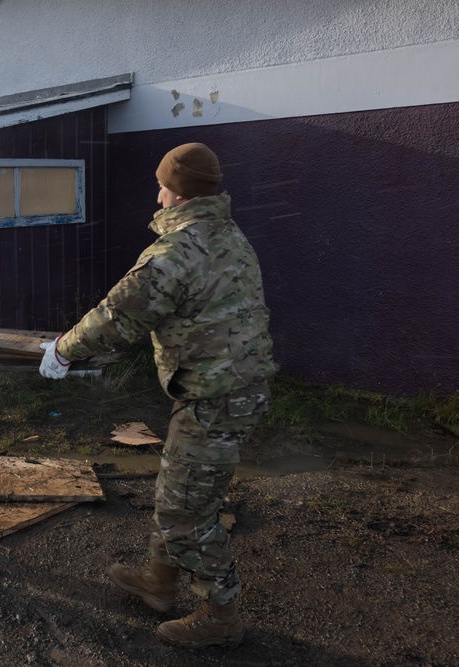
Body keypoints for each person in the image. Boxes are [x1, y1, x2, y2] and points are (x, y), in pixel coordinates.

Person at [39, 143, 277, 648]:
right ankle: (160, 580)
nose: (157, 192)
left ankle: (222, 613)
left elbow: (118, 315)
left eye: (162, 184)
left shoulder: (176, 251)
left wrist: (63, 349)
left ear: (177, 192)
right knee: (178, 486)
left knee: (185, 510)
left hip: (216, 395)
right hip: (231, 387)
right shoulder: (229, 234)